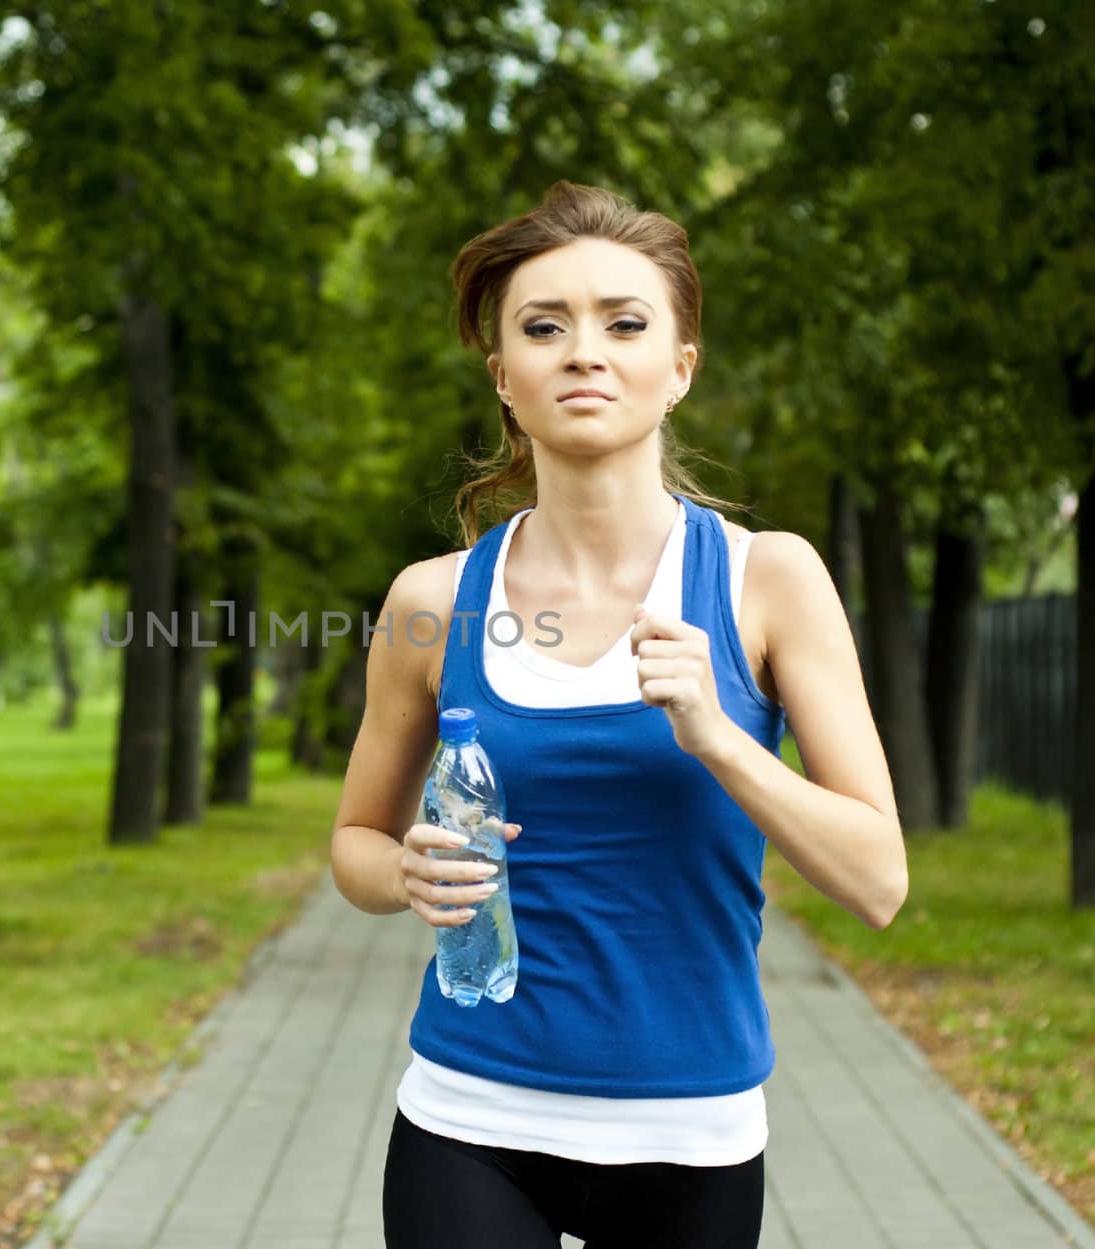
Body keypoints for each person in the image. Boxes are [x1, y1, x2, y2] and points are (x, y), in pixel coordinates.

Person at [328, 180, 907, 1249]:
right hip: (469, 1116)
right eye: (543, 328)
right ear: (505, 378)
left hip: (689, 1136)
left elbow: (878, 879)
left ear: (679, 366)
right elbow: (355, 845)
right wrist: (401, 874)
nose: (583, 351)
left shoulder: (765, 582)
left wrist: (722, 738)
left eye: (624, 323)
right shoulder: (430, 601)